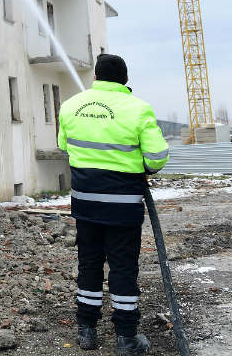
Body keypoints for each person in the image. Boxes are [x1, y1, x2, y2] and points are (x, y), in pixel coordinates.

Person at [57, 53, 169, 355]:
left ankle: (87, 332)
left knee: (89, 263)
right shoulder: (138, 108)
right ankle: (126, 337)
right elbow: (157, 157)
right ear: (125, 81)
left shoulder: (70, 106)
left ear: (96, 77)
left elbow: (63, 145)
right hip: (123, 206)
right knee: (122, 267)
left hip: (86, 203)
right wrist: (143, 165)